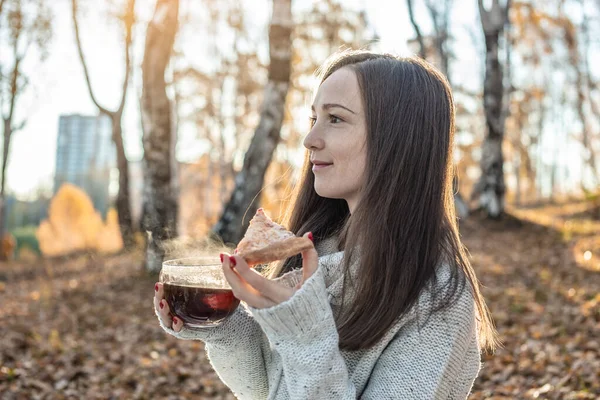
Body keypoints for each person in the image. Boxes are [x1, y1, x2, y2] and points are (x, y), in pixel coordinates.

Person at [154, 49, 497, 399]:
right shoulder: (321, 250)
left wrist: (305, 335)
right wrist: (225, 326)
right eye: (313, 118)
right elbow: (267, 389)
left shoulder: (436, 298)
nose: (309, 140)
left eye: (335, 119)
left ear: (398, 138)